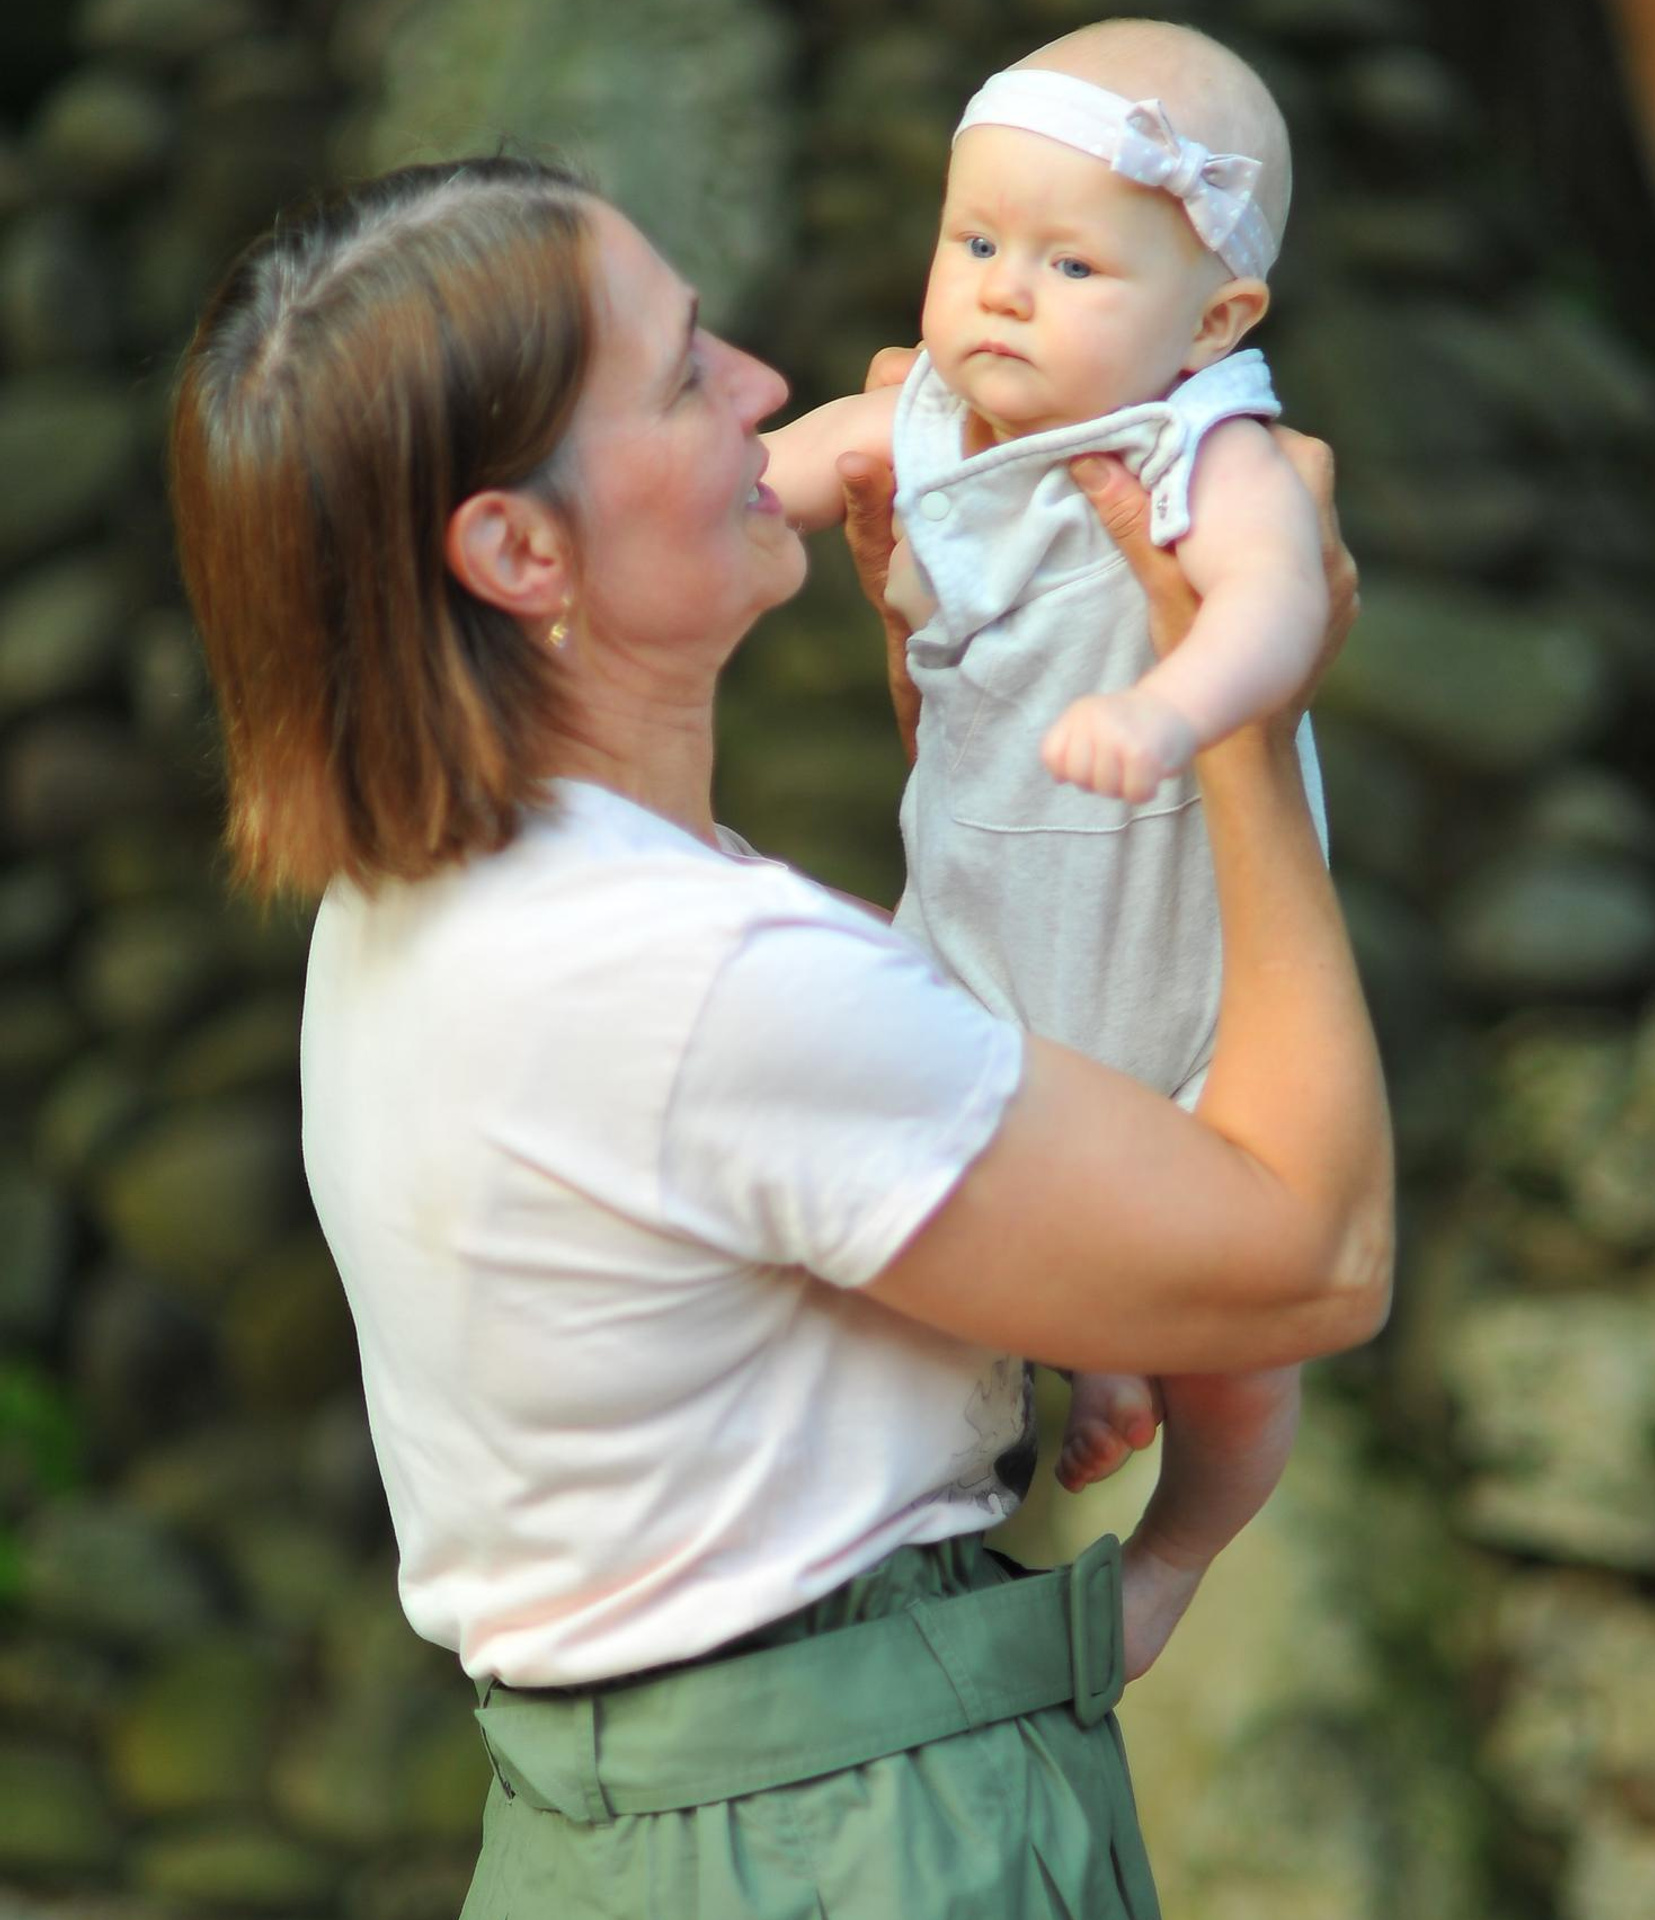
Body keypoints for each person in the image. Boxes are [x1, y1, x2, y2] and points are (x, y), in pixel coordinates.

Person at [169, 151, 1389, 1920]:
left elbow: (866, 1120)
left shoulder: (452, 895)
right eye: (680, 372)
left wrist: (973, 713)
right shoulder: (686, 978)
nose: (762, 383)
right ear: (518, 549)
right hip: (846, 1843)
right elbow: (1311, 1256)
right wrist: (1249, 725)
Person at [764, 20, 1324, 1508]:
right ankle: (1092, 1342)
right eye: (977, 242)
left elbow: (1281, 602)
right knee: (945, 1169)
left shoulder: (1206, 445)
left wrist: (1174, 705)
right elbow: (769, 483)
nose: (1006, 291)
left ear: (1213, 323)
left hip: (1175, 950)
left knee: (1253, 1317)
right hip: (987, 926)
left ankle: (1182, 1546)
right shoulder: (929, 420)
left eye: (1073, 267)